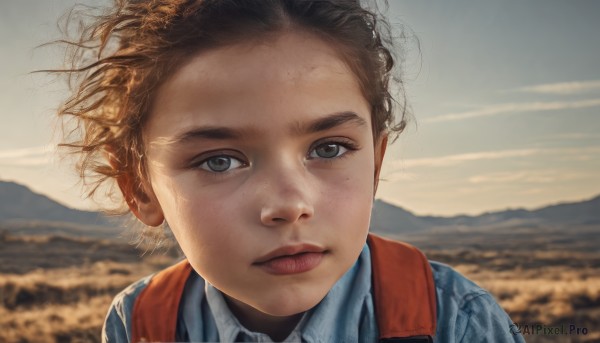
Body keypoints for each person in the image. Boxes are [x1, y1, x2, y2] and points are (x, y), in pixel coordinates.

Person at [52, 0, 525, 342]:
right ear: (140, 189)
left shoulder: (456, 320)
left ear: (376, 164)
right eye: (220, 160)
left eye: (330, 148)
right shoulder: (140, 323)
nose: (289, 204)